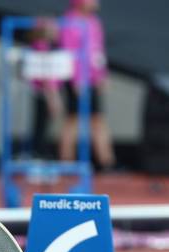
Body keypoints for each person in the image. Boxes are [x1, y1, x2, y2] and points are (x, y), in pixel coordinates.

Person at [58, 0, 115, 169]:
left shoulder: (94, 22)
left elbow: (98, 51)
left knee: (97, 119)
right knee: (73, 119)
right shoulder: (69, 21)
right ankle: (66, 163)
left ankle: (107, 163)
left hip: (91, 78)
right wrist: (76, 81)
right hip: (76, 79)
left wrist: (102, 75)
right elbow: (69, 52)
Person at [27, 18, 63, 159]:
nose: (56, 31)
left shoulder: (41, 46)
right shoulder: (41, 46)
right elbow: (46, 76)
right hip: (43, 92)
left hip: (41, 91)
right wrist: (53, 98)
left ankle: (39, 153)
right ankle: (38, 155)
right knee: (41, 126)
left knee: (40, 126)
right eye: (53, 29)